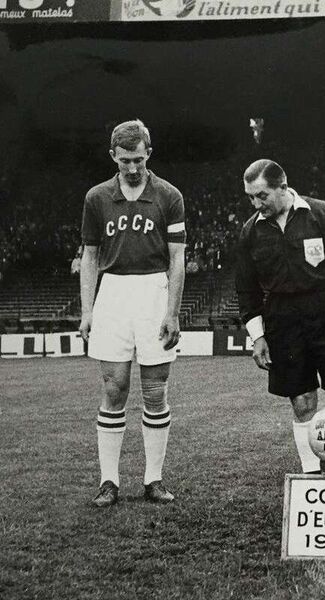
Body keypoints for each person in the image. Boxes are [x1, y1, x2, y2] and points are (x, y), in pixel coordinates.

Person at [236, 159, 325, 474]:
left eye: (262, 196)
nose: (256, 204)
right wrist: (258, 337)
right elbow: (246, 290)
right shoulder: (251, 231)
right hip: (283, 323)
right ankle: (312, 475)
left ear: (283, 187)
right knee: (302, 402)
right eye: (250, 198)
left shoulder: (322, 214)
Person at [79, 120, 186, 507]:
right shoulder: (97, 197)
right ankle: (108, 481)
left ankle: (153, 479)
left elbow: (177, 258)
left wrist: (172, 312)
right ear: (113, 156)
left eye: (139, 159)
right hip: (113, 292)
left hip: (153, 290)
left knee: (156, 390)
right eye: (125, 160)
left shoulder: (169, 195)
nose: (133, 167)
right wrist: (87, 310)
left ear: (148, 154)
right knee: (114, 387)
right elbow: (89, 256)